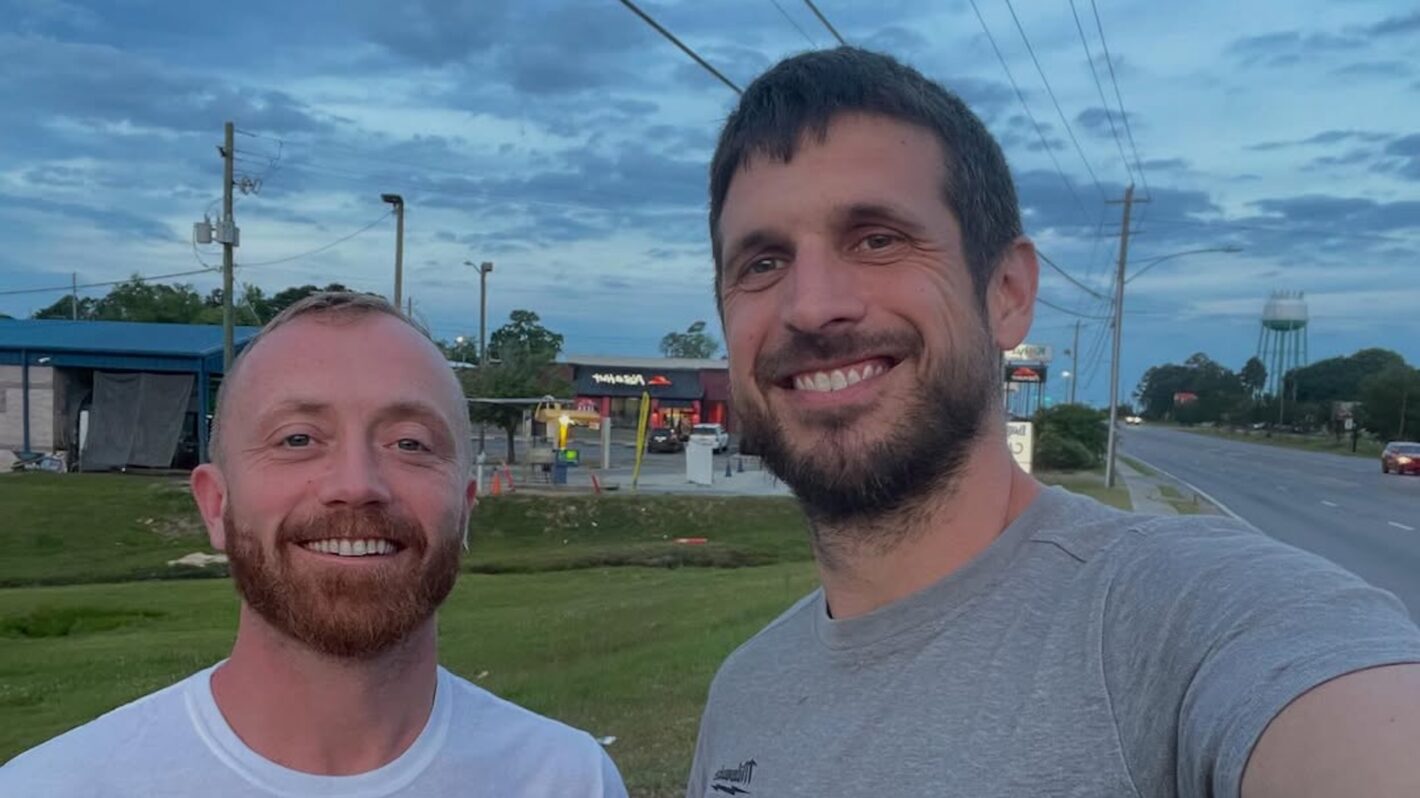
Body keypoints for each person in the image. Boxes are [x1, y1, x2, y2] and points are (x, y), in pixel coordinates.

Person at [687, 47, 1420, 797]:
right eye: (762, 263)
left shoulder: (1198, 617)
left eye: (878, 240)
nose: (812, 306)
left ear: (1007, 292)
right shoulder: (745, 693)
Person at [1, 293, 627, 797]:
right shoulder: (51, 787)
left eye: (410, 443)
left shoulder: (568, 780)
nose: (356, 485)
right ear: (216, 505)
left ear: (464, 510)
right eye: (298, 439)